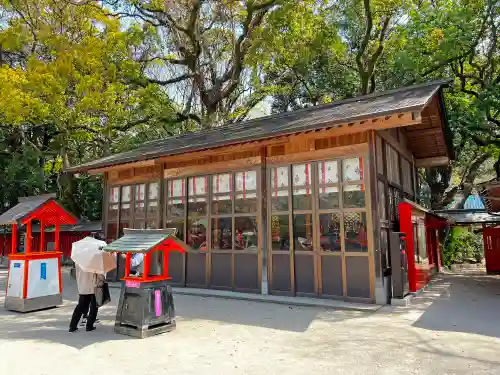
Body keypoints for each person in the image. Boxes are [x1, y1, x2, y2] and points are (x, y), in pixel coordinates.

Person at [69, 265, 104, 333]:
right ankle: (89, 325)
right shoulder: (94, 259)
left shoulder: (79, 258)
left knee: (81, 306)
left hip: (83, 285)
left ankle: (72, 326)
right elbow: (99, 272)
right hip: (93, 285)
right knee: (94, 306)